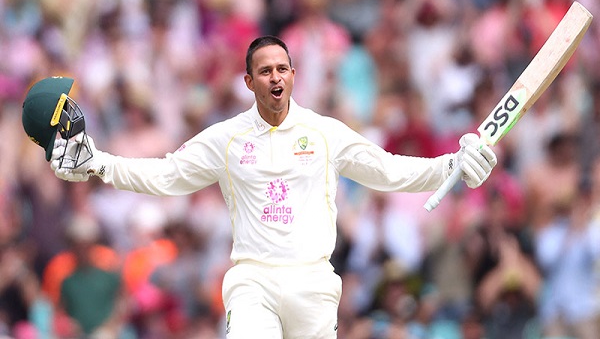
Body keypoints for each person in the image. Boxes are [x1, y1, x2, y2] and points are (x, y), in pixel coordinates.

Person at [26, 36, 496, 339]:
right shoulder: (226, 138)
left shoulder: (325, 132)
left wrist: (451, 166)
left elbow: (388, 171)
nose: (276, 77)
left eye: (283, 69)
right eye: (265, 71)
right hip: (254, 281)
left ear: (293, 75)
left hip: (313, 281)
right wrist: (100, 164)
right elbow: (167, 175)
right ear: (249, 81)